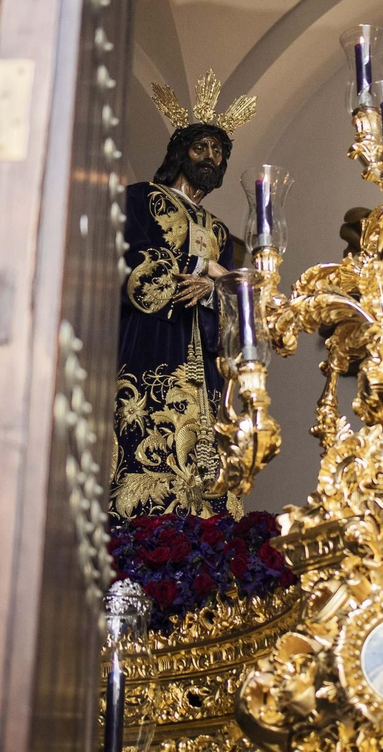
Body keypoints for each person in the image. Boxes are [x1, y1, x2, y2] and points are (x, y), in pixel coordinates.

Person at [110, 71, 255, 518]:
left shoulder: (220, 233)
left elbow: (235, 305)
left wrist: (214, 288)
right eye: (201, 148)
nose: (211, 158)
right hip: (151, 346)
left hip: (204, 371)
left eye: (219, 151)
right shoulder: (139, 200)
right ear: (180, 153)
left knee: (205, 470)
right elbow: (125, 265)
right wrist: (195, 268)